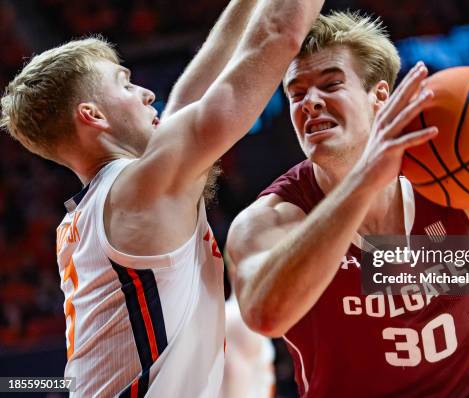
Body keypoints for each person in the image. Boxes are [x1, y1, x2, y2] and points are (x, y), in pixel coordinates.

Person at [226, 11, 469, 397]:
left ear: (380, 97)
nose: (311, 102)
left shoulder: (449, 174)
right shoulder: (271, 219)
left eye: (331, 84)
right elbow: (265, 315)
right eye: (297, 93)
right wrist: (364, 181)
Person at [0, 0, 323, 396]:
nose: (148, 94)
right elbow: (278, 36)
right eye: (125, 84)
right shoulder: (141, 191)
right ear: (93, 115)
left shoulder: (104, 203)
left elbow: (193, 91)